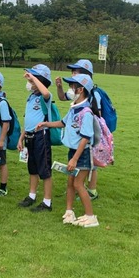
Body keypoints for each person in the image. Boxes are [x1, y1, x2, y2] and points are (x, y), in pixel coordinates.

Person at [38, 74, 100, 227]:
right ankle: (69, 211)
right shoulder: (74, 108)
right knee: (70, 182)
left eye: (72, 86)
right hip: (73, 151)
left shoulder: (85, 113)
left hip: (82, 154)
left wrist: (74, 159)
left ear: (80, 89)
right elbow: (62, 122)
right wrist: (46, 124)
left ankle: (91, 217)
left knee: (78, 184)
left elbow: (85, 137)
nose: (70, 89)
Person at [56, 59, 101, 200]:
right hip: (79, 133)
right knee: (82, 167)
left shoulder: (93, 94)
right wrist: (59, 87)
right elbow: (63, 97)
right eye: (72, 71)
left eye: (76, 71)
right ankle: (78, 187)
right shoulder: (77, 90)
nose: (73, 73)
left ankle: (91, 190)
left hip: (89, 134)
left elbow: (96, 116)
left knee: (91, 163)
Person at [17, 64, 54, 212]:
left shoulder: (45, 97)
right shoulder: (31, 97)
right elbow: (28, 121)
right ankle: (31, 196)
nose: (29, 83)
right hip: (30, 137)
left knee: (44, 170)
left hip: (41, 136)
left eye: (32, 80)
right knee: (32, 169)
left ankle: (47, 202)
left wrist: (33, 78)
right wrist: (21, 138)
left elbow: (46, 93)